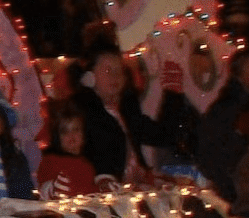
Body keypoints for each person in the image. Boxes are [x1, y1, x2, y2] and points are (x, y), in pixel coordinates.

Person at [69, 40, 197, 187]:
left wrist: (172, 94)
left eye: (119, 70)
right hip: (106, 192)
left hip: (135, 188)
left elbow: (163, 135)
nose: (115, 76)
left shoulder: (127, 109)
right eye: (107, 70)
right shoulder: (81, 112)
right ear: (89, 77)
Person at [198, 40, 249, 218]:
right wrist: (239, 134)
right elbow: (210, 163)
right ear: (238, 75)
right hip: (244, 205)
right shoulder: (226, 111)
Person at [37, 99, 100, 199]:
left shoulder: (87, 164)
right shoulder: (51, 161)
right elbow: (44, 189)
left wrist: (103, 189)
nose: (71, 135)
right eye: (64, 132)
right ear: (57, 137)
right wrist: (54, 188)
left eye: (76, 129)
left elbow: (91, 192)